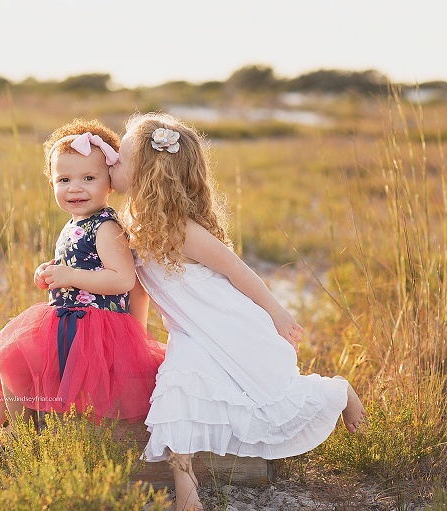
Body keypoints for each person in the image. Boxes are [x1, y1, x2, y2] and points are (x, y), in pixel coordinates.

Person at [109, 112, 367, 511]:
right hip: (191, 335)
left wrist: (277, 312)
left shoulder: (181, 230)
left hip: (232, 328)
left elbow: (237, 270)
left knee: (272, 400)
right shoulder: (128, 226)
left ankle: (336, 390)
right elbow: (140, 290)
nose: (112, 163)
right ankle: (187, 494)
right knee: (176, 398)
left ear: (145, 173)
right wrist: (135, 339)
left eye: (121, 159)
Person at [0, 119, 165, 443]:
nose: (75, 188)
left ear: (110, 182)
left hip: (95, 327)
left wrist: (70, 275)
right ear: (51, 183)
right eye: (64, 179)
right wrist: (50, 272)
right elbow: (77, 264)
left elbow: (122, 279)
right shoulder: (77, 222)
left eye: (88, 178)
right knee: (14, 357)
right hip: (67, 319)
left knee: (18, 355)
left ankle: (19, 437)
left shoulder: (106, 227)